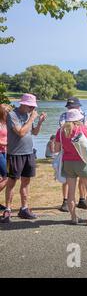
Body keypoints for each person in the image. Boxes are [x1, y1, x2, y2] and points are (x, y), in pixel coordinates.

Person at [0, 94, 46, 223]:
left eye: (33, 107)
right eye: (31, 106)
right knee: (11, 182)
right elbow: (20, 133)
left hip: (29, 153)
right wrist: (32, 118)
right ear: (24, 104)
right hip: (14, 155)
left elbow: (34, 133)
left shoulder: (27, 115)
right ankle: (8, 210)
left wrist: (40, 122)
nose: (32, 109)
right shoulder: (12, 115)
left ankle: (24, 209)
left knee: (26, 182)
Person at [54, 109, 87, 225]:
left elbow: (56, 149)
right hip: (82, 161)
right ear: (78, 119)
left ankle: (74, 217)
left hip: (68, 163)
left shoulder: (60, 131)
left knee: (71, 192)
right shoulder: (81, 129)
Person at [58, 97, 87, 212]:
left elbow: (65, 130)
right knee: (72, 182)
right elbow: (67, 129)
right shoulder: (64, 116)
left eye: (73, 106)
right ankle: (65, 200)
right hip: (76, 153)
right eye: (69, 106)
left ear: (79, 106)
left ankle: (81, 200)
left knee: (80, 180)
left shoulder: (86, 114)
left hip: (80, 152)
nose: (70, 108)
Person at [0, 104, 11, 210]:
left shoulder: (6, 123)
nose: (9, 113)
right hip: (0, 152)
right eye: (7, 111)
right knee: (6, 177)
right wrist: (7, 144)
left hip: (5, 152)